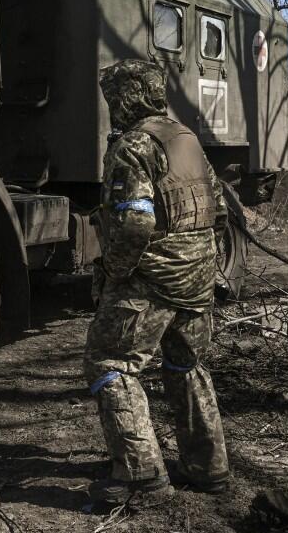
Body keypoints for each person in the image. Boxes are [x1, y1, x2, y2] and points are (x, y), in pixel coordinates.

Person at [86, 58, 231, 508]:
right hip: (198, 273)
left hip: (153, 275)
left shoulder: (133, 146)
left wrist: (113, 271)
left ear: (124, 97)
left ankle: (140, 476)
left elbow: (133, 226)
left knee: (111, 364)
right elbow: (220, 212)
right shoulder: (186, 139)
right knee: (186, 363)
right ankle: (208, 467)